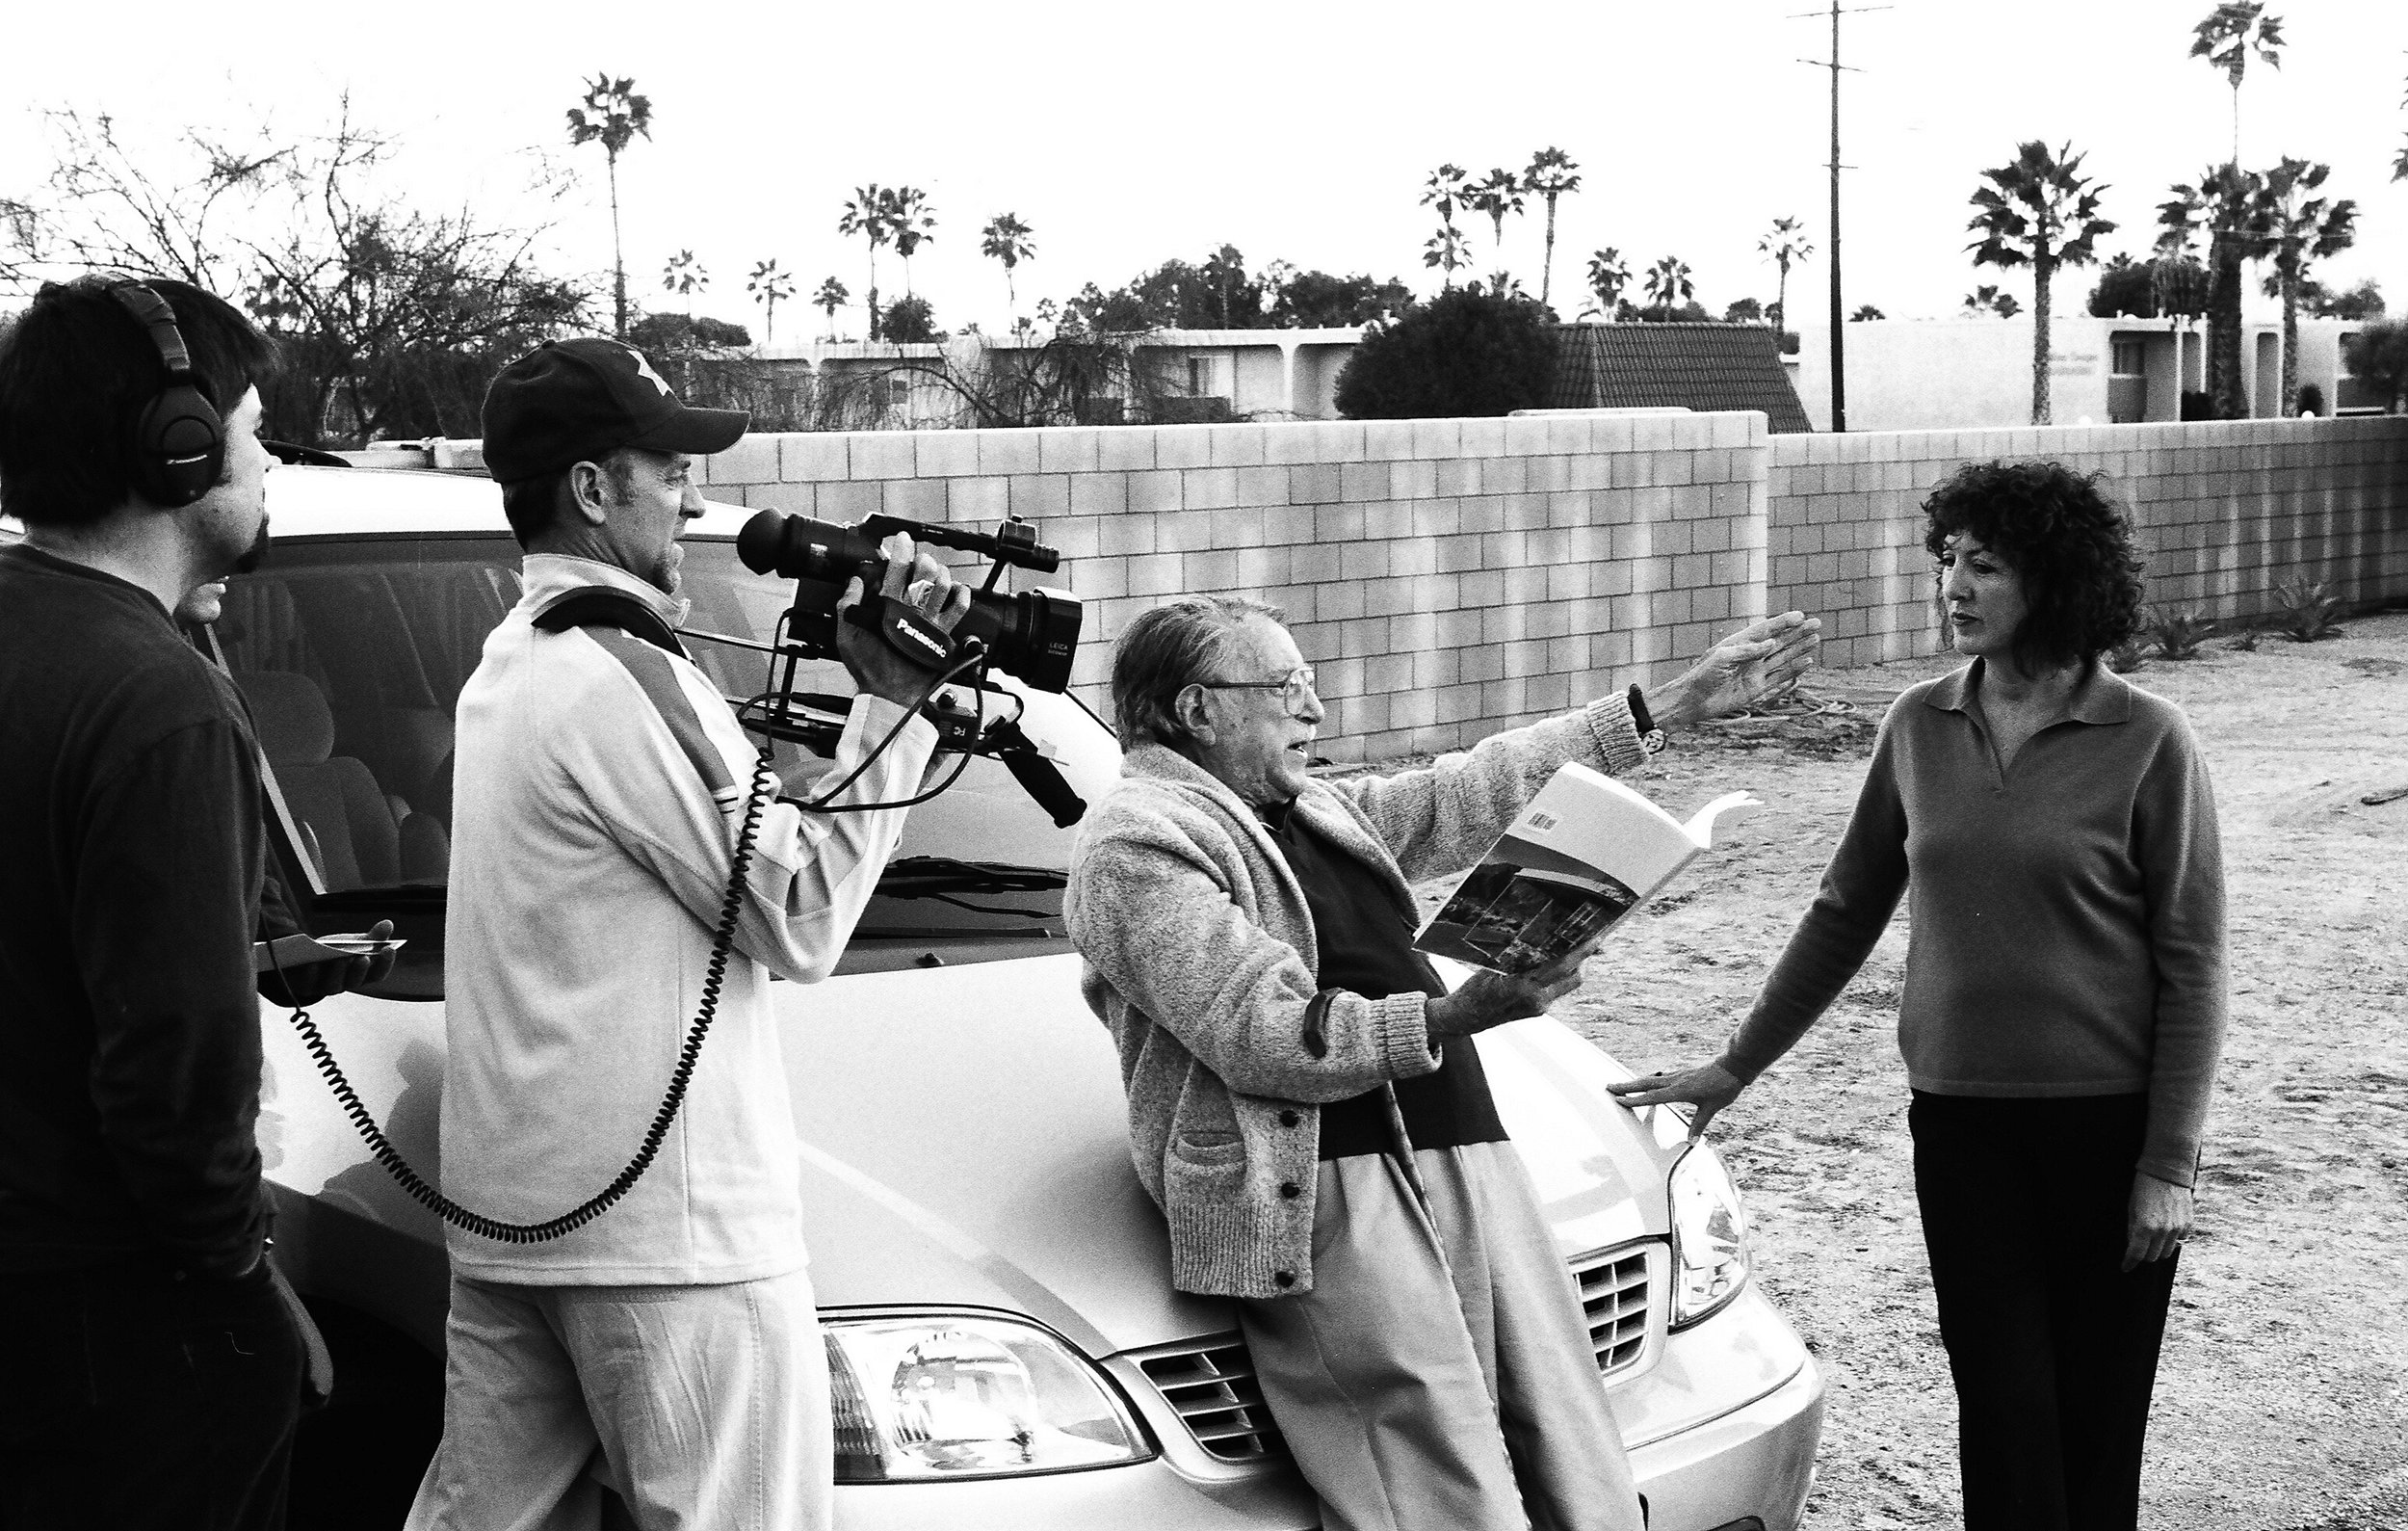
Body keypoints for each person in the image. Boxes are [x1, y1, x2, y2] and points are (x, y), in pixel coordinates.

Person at [1066, 595, 1819, 1531]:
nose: (1313, 710)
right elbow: (1261, 1031)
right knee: (1436, 1491)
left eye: (1311, 685)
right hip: (1325, 1193)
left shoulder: (1311, 804)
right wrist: (1459, 1010)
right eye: (1287, 686)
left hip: (1461, 1149)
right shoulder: (1138, 839)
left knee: (1569, 1454)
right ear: (1197, 710)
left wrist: (1660, 710)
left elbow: (1470, 790)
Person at [405, 338, 970, 1531]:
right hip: (671, 1247)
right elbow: (800, 917)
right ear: (593, 490)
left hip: (523, 1225)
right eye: (668, 468)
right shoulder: (622, 670)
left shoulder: (513, 663)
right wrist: (897, 709)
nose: (695, 496)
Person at [1612, 459, 2227, 1530]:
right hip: (1962, 1129)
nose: (1951, 584)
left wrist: (2167, 1164)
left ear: (2055, 580)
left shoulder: (2148, 740)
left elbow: (2193, 962)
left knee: (2093, 1419)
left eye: (1982, 564)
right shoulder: (1915, 724)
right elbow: (1844, 910)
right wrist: (1733, 1066)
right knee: (2002, 1408)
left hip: (2108, 1130)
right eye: (1946, 559)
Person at [0, 276, 385, 1530]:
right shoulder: (156, 696)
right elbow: (170, 1093)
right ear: (176, 446)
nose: (267, 458)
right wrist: (249, 1294)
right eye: (256, 427)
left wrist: (239, 950)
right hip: (122, 1327)